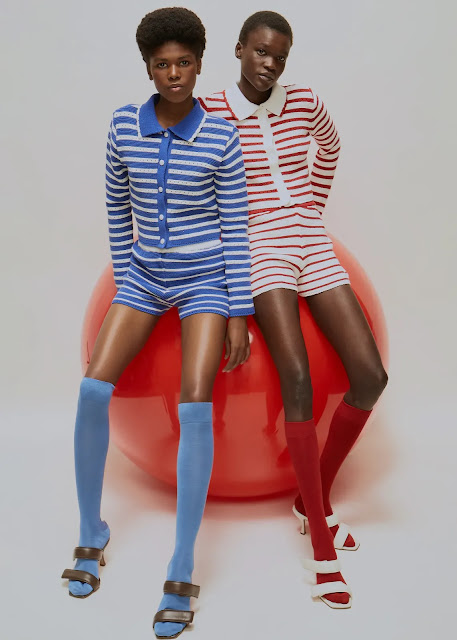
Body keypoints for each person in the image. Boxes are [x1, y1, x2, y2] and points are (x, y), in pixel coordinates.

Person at [60, 8, 254, 638]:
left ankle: (181, 561)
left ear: (200, 64)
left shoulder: (222, 137)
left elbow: (235, 229)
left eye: (184, 63)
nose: (174, 74)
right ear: (148, 68)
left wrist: (238, 311)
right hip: (144, 276)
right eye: (162, 64)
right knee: (93, 388)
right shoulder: (123, 125)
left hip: (206, 280)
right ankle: (91, 530)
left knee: (195, 405)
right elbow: (117, 207)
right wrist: (128, 282)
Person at [200, 10, 388, 609]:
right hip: (259, 247)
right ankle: (323, 551)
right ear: (239, 49)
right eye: (261, 52)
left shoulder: (304, 100)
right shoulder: (210, 111)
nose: (270, 64)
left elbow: (330, 147)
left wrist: (310, 209)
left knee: (371, 375)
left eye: (280, 55)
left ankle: (312, 499)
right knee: (298, 378)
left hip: (310, 238)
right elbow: (202, 187)